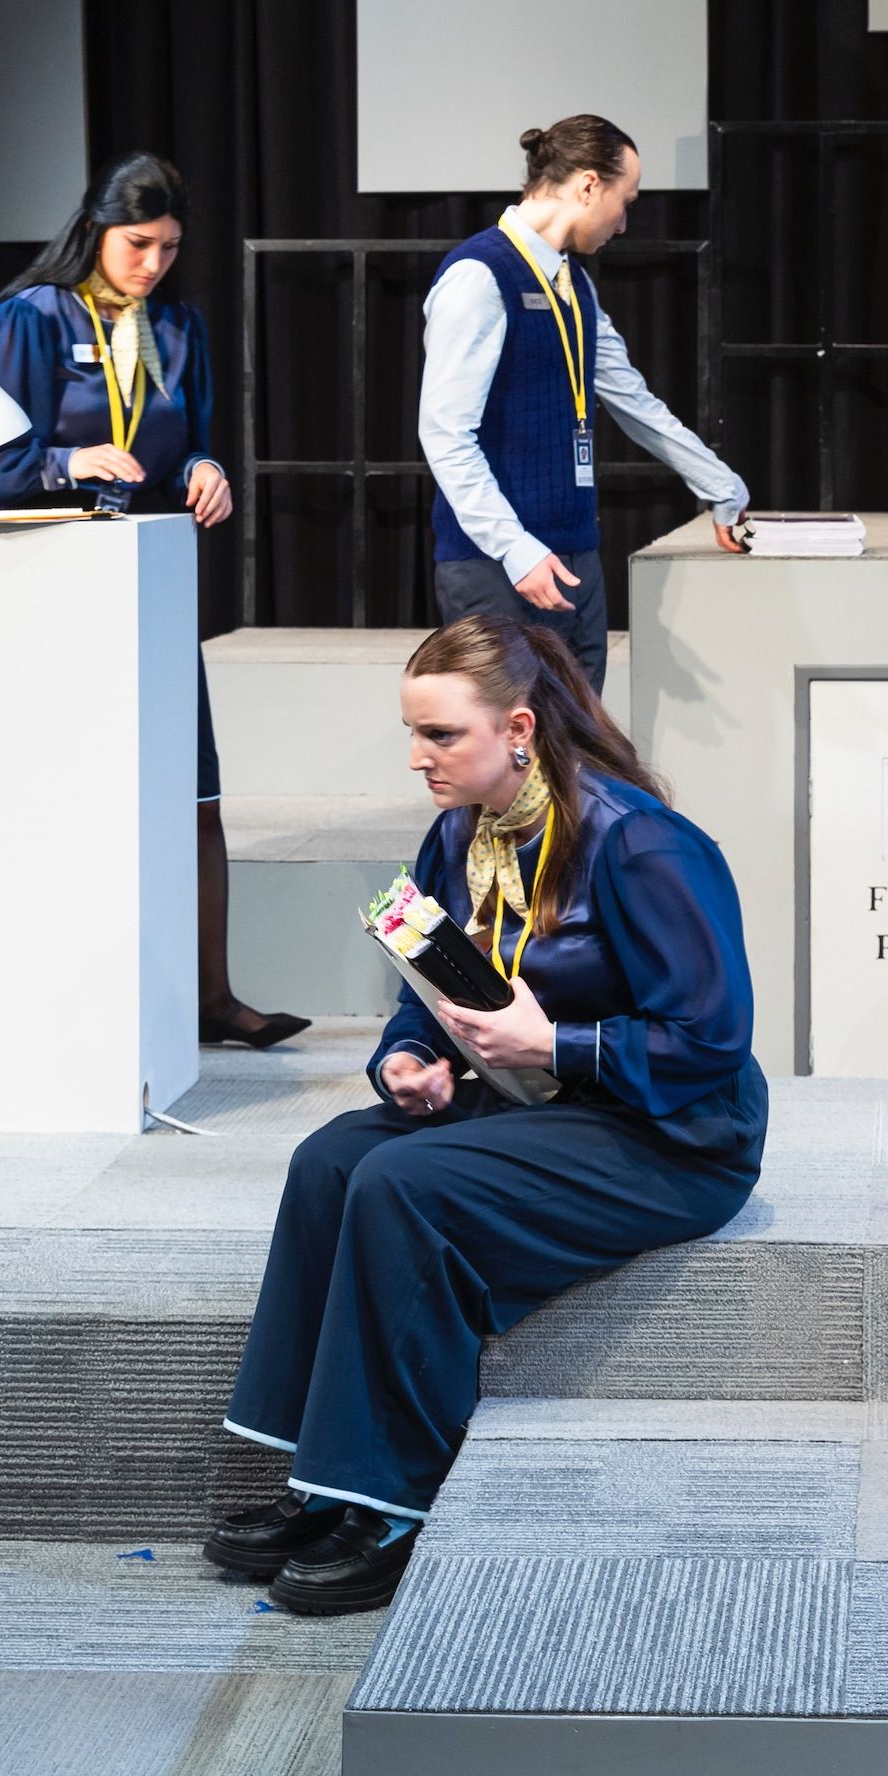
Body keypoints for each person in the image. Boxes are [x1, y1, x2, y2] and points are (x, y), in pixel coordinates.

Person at [205, 613, 767, 1614]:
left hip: (667, 1134)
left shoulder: (638, 844)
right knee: (331, 1159)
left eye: (440, 737)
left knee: (404, 1186)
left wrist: (555, 1046)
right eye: (412, 735)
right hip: (524, 1098)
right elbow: (421, 991)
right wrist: (409, 1061)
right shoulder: (455, 831)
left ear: (516, 727)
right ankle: (323, 1478)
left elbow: (709, 1043)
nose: (418, 758)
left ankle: (393, 1497)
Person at [0, 153, 307, 1054]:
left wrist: (205, 470)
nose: (152, 265)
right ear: (96, 230)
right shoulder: (24, 320)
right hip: (50, 597)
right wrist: (69, 463)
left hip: (148, 586)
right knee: (74, 800)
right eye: (137, 244)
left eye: (169, 248)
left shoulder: (176, 328)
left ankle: (212, 1000)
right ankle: (62, 1013)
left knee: (195, 794)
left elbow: (190, 444)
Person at [419, 113, 748, 695]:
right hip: (497, 564)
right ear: (589, 185)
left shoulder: (575, 284)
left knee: (576, 751)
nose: (623, 223)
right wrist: (516, 550)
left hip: (573, 555)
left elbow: (632, 399)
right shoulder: (479, 276)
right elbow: (445, 433)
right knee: (505, 756)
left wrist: (720, 485)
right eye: (626, 201)